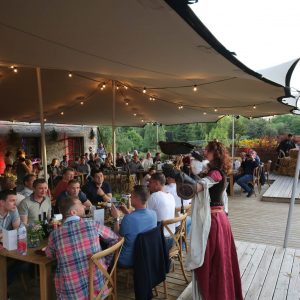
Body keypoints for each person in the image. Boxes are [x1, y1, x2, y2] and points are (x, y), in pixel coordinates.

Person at [185, 140, 242, 300]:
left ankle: (216, 295)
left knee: (212, 264)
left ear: (213, 153)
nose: (204, 153)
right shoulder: (215, 170)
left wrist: (179, 176)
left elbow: (196, 188)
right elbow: (203, 173)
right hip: (218, 219)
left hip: (214, 222)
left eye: (207, 151)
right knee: (219, 262)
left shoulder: (216, 173)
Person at [45, 196, 119, 300]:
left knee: (58, 271)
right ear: (73, 212)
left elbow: (49, 255)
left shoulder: (55, 234)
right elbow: (115, 239)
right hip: (98, 284)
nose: (84, 205)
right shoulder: (92, 224)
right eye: (80, 204)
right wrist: (104, 262)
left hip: (72, 292)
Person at [111, 185, 157, 267]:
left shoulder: (128, 219)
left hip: (127, 259)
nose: (130, 199)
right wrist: (128, 213)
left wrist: (116, 218)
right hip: (145, 255)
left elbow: (117, 238)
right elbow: (139, 223)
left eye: (131, 197)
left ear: (136, 198)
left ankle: (109, 276)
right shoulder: (153, 214)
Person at [147, 173, 176, 248]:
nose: (148, 184)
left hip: (160, 241)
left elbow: (144, 217)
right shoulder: (170, 196)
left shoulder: (154, 196)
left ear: (157, 183)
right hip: (172, 237)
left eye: (150, 182)